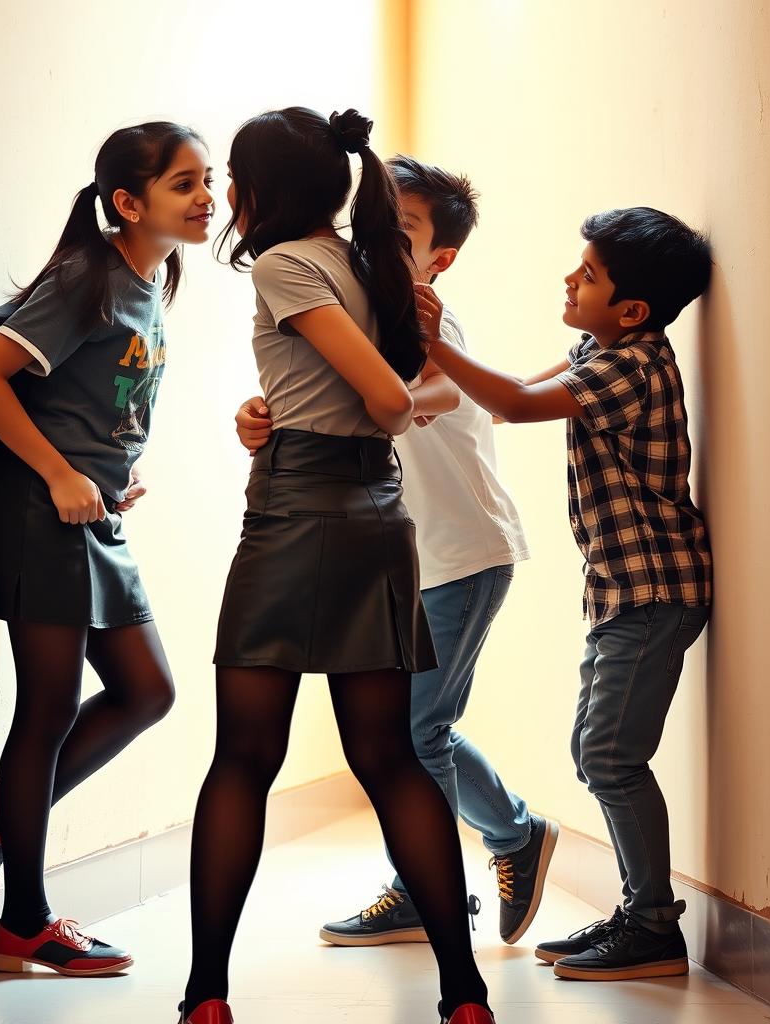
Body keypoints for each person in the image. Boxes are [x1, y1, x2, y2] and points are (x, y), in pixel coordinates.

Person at [179, 108, 495, 1024]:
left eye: (231, 177)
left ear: (260, 190)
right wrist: (270, 406)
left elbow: (392, 400)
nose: (225, 194)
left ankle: (206, 997)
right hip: (374, 516)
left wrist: (352, 407)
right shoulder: (369, 260)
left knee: (242, 758)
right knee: (391, 758)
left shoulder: (286, 263)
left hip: (295, 514)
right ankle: (465, 996)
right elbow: (348, 382)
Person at [235, 154, 557, 952]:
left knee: (417, 732)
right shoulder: (352, 309)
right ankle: (511, 834)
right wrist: (261, 418)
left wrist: (393, 394)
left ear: (437, 259)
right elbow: (309, 398)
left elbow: (438, 393)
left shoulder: (424, 317)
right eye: (368, 222)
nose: (374, 240)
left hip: (463, 554)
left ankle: (434, 881)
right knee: (422, 729)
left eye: (400, 229)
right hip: (400, 557)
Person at [417, 206, 713, 981]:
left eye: (587, 274)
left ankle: (653, 926)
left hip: (653, 590)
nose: (569, 278)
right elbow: (510, 389)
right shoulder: (600, 347)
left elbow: (513, 407)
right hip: (626, 590)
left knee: (609, 757)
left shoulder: (631, 365)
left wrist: (434, 344)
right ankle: (637, 912)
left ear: (633, 308)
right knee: (599, 753)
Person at [0, 121, 215, 977]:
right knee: (49, 708)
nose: (205, 197)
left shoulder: (152, 279)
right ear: (127, 202)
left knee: (147, 691)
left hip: (90, 513)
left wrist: (106, 474)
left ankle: (8, 810)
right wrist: (62, 473)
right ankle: (25, 921)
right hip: (42, 513)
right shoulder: (87, 279)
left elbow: (99, 398)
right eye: (184, 184)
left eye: (205, 181)